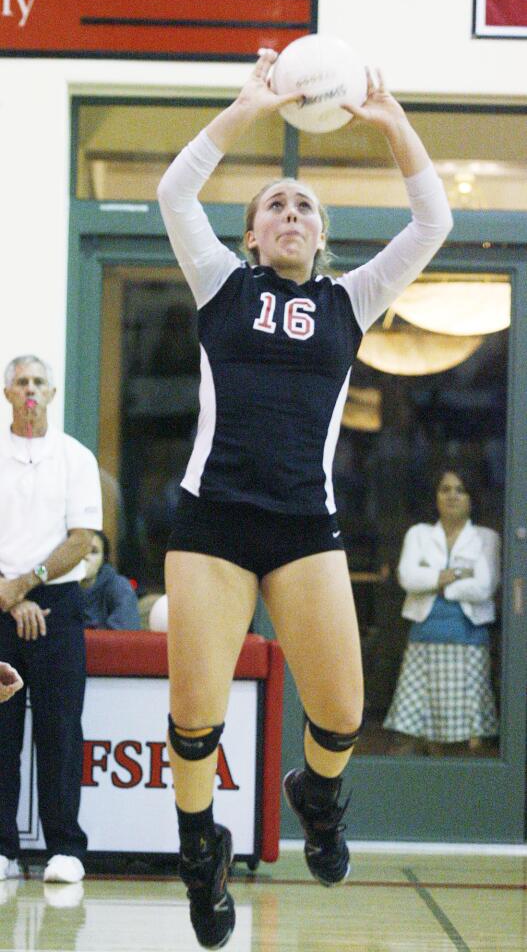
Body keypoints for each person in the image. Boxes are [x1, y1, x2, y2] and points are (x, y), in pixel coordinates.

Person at [157, 49, 452, 949]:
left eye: (305, 207)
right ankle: (200, 849)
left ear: (321, 237)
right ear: (250, 235)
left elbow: (431, 219)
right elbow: (175, 193)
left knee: (340, 715)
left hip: (303, 527)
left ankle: (318, 794)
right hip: (212, 521)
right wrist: (246, 104)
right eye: (274, 206)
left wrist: (389, 117)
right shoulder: (220, 284)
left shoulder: (350, 300)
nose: (290, 213)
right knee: (196, 717)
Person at [0, 355, 102, 885]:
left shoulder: (75, 457)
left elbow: (81, 541)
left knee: (61, 729)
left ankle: (65, 848)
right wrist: (11, 596)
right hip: (0, 605)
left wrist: (26, 584)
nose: (31, 390)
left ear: (53, 392)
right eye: (21, 382)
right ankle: (3, 849)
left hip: (58, 608)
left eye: (39, 382)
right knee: (1, 732)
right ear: (7, 393)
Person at [384, 468, 500, 756]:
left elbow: (485, 586)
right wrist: (455, 575)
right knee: (414, 733)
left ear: (472, 498)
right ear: (435, 496)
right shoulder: (419, 534)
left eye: (460, 490)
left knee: (464, 738)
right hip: (423, 641)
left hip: (469, 642)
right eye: (445, 489)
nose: (452, 496)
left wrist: (439, 583)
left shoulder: (487, 537)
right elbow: (408, 577)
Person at [81, 531, 141, 631]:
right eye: (79, 550)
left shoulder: (120, 587)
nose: (86, 557)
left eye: (93, 552)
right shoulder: (57, 585)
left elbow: (125, 635)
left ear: (103, 559)